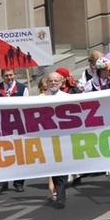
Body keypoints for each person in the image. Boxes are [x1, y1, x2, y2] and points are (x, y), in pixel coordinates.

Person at [0, 68, 29, 194]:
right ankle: (2, 183)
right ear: (2, 76)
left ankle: (18, 182)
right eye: (6, 75)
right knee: (1, 155)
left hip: (17, 125)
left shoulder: (22, 88)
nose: (9, 77)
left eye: (11, 75)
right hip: (1, 126)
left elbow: (27, 106)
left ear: (15, 75)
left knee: (18, 154)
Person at [38, 73, 70, 209]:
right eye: (50, 81)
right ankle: (58, 192)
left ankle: (61, 196)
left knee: (62, 168)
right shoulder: (40, 99)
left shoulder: (67, 98)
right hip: (48, 139)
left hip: (63, 138)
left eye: (56, 80)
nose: (53, 83)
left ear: (61, 82)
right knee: (54, 168)